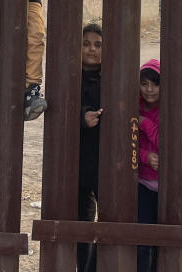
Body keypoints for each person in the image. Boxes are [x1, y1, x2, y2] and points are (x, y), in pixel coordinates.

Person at [78, 23, 103, 272]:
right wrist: (82, 116)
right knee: (81, 224)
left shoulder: (112, 77)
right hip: (74, 162)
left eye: (97, 44)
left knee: (108, 224)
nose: (91, 49)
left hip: (105, 161)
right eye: (85, 44)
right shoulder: (69, 75)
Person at [137, 59, 161, 272]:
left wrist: (143, 122)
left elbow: (163, 142)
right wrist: (145, 157)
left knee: (164, 243)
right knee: (143, 241)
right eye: (144, 84)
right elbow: (127, 143)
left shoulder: (169, 108)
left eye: (155, 84)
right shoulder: (134, 104)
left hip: (168, 187)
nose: (150, 90)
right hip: (143, 183)